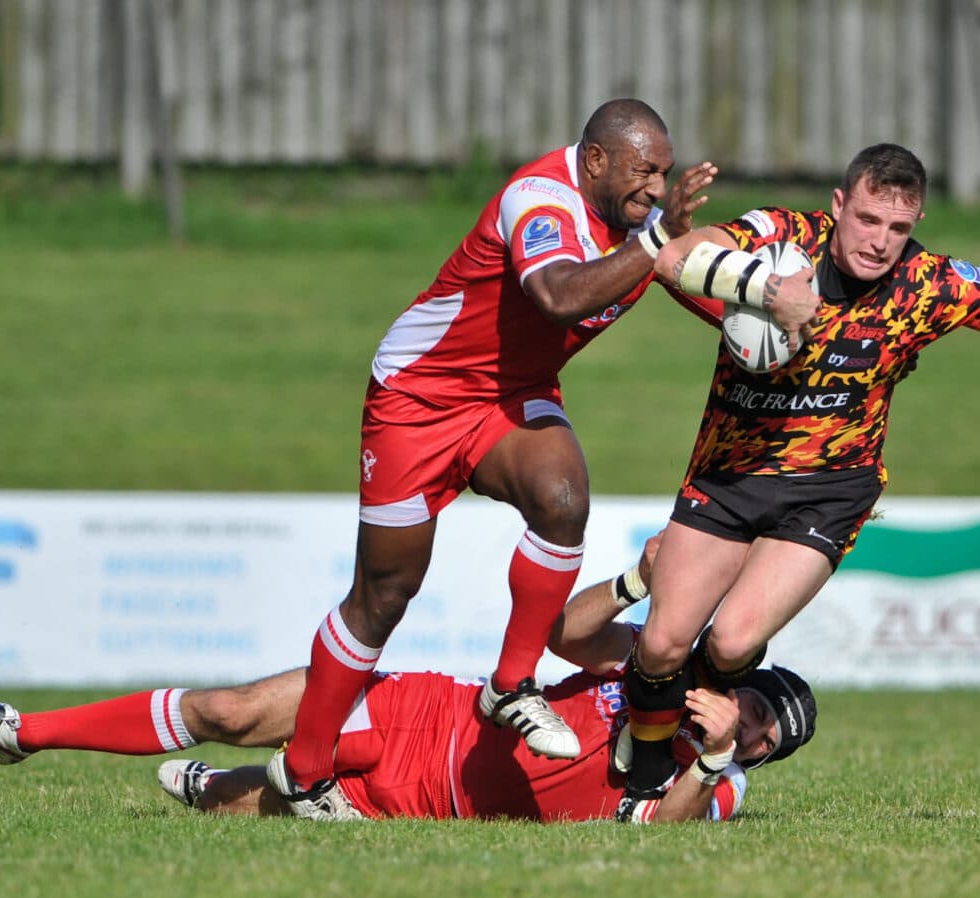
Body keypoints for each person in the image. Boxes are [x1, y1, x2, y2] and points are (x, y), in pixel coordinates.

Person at [615, 142, 980, 805]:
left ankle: (659, 773)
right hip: (731, 471)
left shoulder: (928, 285)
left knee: (731, 641)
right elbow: (673, 255)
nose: (880, 241)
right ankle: (642, 764)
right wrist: (765, 290)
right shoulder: (782, 238)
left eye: (899, 228)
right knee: (664, 642)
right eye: (868, 219)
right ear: (839, 205)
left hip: (831, 489)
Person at [267, 97, 728, 821]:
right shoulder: (539, 200)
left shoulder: (642, 225)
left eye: (666, 174)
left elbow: (702, 285)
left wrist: (789, 318)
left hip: (510, 394)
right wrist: (654, 240)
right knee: (384, 594)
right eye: (645, 172)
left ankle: (512, 685)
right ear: (597, 160)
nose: (656, 189)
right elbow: (554, 296)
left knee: (563, 498)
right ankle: (303, 770)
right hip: (418, 395)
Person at [0, 536, 816, 824]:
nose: (754, 729)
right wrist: (636, 579)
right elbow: (562, 631)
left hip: (421, 801)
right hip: (425, 708)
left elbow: (666, 827)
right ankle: (22, 732)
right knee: (228, 708)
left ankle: (228, 791)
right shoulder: (655, 668)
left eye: (768, 740)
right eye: (759, 711)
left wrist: (713, 757)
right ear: (746, 680)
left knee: (256, 802)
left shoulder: (721, 778)